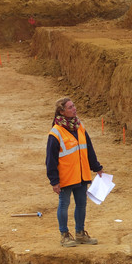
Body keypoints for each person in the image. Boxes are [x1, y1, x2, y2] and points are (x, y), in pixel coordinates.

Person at [46, 98, 102, 248]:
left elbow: (89, 149)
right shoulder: (56, 133)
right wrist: (54, 181)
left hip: (81, 175)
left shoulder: (79, 127)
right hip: (66, 177)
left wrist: (96, 167)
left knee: (82, 204)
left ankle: (80, 233)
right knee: (64, 205)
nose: (74, 109)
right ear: (62, 111)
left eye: (74, 105)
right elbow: (50, 159)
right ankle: (64, 235)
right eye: (70, 107)